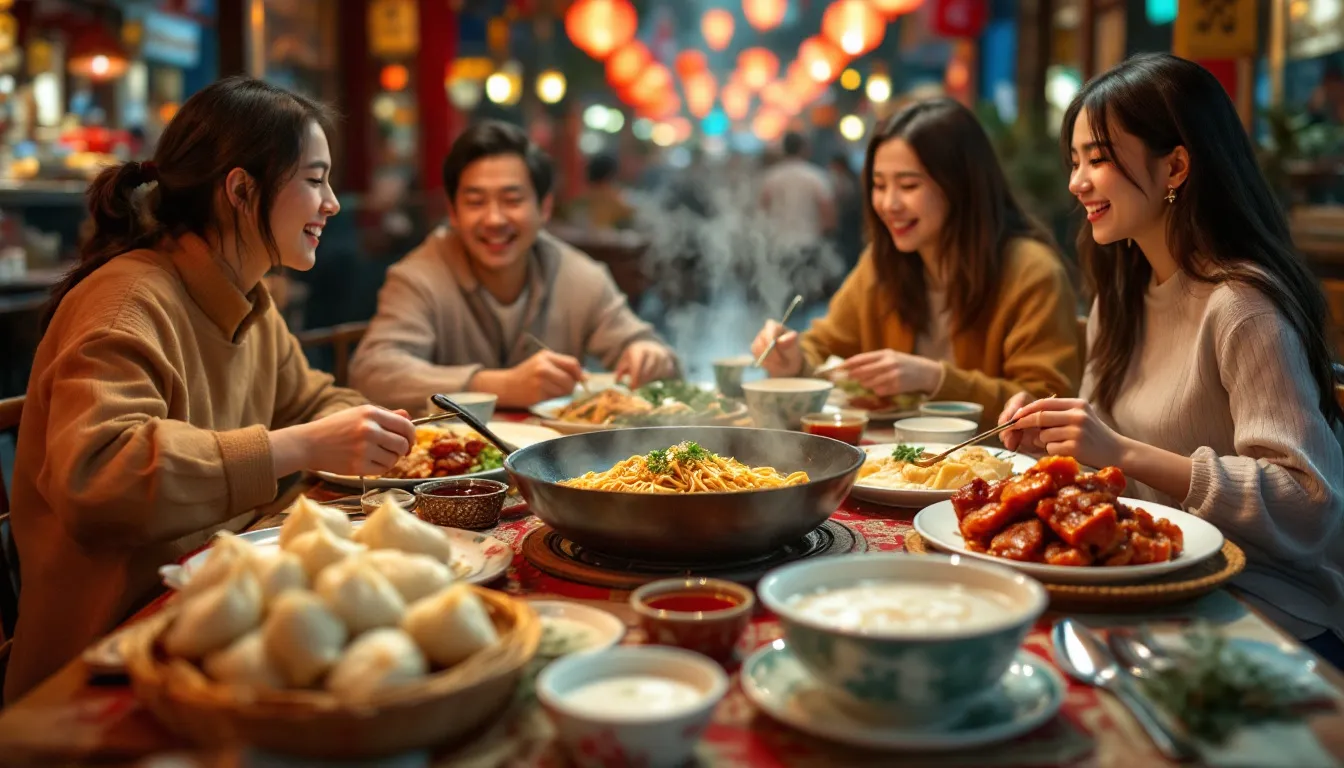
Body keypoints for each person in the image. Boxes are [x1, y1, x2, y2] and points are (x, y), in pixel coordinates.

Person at [4, 77, 417, 703]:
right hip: (105, 662)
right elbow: (100, 476)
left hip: (214, 624)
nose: (332, 202)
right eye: (314, 179)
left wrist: (351, 432)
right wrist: (297, 447)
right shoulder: (126, 303)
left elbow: (314, 403)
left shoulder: (247, 296)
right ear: (241, 190)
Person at [998, 53, 1344, 664]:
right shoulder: (1121, 296)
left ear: (1176, 165)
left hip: (1263, 613)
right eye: (1075, 161)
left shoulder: (1241, 306)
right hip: (1152, 581)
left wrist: (1123, 451)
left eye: (1099, 159)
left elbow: (1310, 501)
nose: (1077, 182)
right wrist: (1057, 448)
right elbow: (1116, 485)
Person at [751, 99, 1083, 425]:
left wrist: (934, 378)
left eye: (908, 185)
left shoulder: (1032, 271)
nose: (889, 203)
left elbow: (1047, 400)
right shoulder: (883, 264)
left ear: (960, 186)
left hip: (1000, 470)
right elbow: (822, 344)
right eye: (879, 185)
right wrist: (791, 358)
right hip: (896, 466)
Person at [349, 121, 677, 412]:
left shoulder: (577, 275)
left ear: (544, 208)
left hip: (557, 465)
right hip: (450, 471)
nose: (494, 219)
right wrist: (500, 385)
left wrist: (647, 354)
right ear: (453, 211)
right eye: (476, 202)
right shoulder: (419, 277)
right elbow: (372, 372)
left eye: (512, 200)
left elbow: (655, 356)